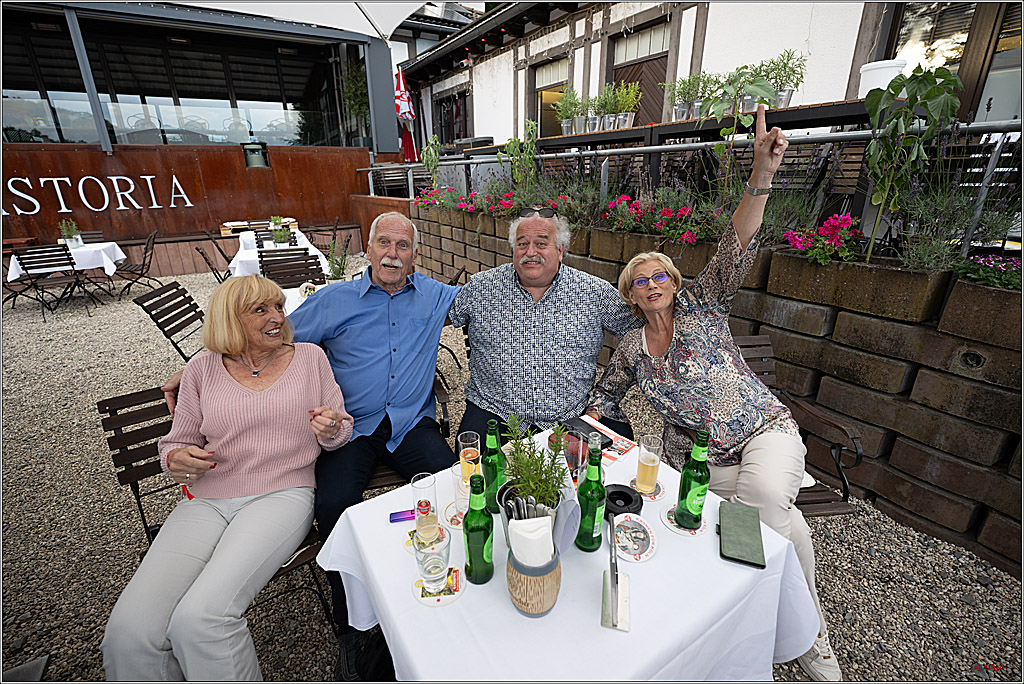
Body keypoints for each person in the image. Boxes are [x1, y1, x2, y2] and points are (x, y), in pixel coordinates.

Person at [585, 105, 841, 682]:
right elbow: (601, 403)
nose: (652, 284)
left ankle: (779, 638)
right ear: (630, 295)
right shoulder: (631, 349)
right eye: (640, 279)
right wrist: (581, 431)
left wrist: (762, 175)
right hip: (704, 463)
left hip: (764, 433)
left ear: (676, 284)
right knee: (789, 526)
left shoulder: (704, 305)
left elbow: (738, 240)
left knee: (759, 515)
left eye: (661, 275)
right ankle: (809, 635)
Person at [161, 212, 458, 680]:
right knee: (334, 502)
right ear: (369, 247)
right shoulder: (333, 299)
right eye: (384, 243)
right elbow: (269, 337)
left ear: (415, 255)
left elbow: (495, 296)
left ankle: (443, 584)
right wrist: (204, 364)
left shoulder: (439, 297)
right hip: (348, 427)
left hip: (409, 424)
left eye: (403, 246)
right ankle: (354, 625)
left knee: (453, 484)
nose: (393, 254)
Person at [102, 275, 352, 681]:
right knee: (129, 634)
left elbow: (341, 429)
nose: (276, 317)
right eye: (260, 310)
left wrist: (330, 430)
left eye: (278, 307)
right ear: (230, 320)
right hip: (207, 501)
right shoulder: (201, 369)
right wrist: (178, 458)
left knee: (203, 620)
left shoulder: (309, 357)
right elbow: (175, 443)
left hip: (282, 494)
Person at [447, 206, 644, 442]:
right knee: (473, 474)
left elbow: (644, 334)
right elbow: (431, 318)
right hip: (494, 411)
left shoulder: (594, 292)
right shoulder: (481, 288)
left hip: (572, 413)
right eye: (522, 244)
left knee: (616, 461)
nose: (530, 252)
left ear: (560, 251)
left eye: (541, 244)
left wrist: (610, 390)